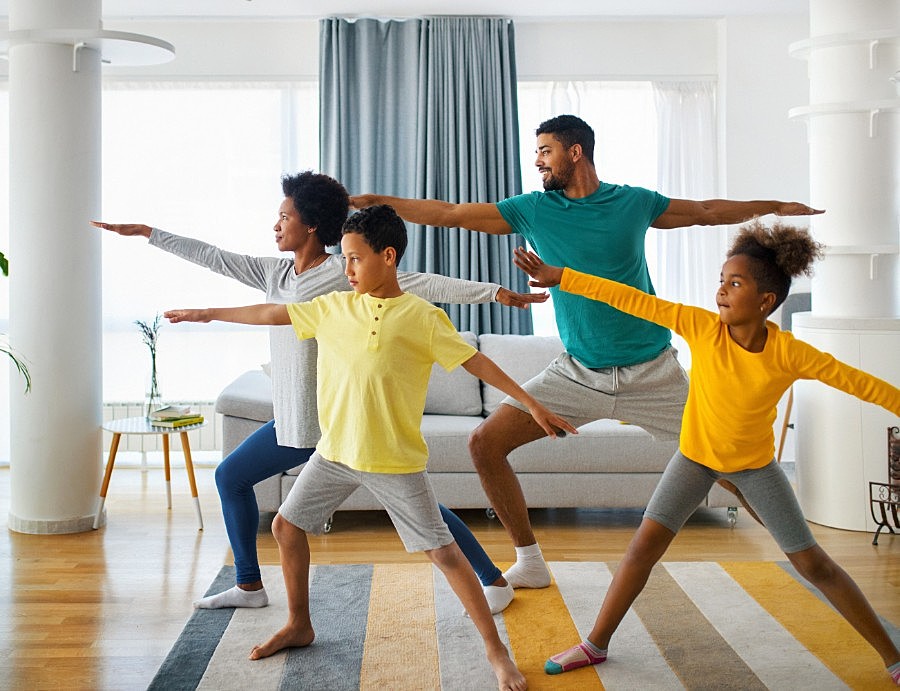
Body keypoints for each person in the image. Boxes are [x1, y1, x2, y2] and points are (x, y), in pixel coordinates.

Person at [350, 113, 825, 591]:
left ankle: (809, 562)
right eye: (536, 151)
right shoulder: (532, 209)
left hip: (654, 374)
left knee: (734, 468)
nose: (537, 160)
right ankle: (529, 560)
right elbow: (451, 214)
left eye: (544, 150)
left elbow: (704, 209)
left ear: (574, 152)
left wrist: (776, 206)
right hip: (577, 373)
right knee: (484, 443)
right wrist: (379, 202)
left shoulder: (632, 203)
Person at [92, 171, 547, 615]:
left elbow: (419, 282)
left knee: (238, 478)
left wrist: (493, 293)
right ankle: (488, 577)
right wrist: (149, 233)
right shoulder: (273, 273)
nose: (275, 224)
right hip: (292, 417)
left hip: (325, 421)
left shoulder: (343, 272)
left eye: (284, 216)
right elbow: (212, 255)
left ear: (310, 225)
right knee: (407, 503)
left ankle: (252, 583)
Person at [165, 205, 579, 690]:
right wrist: (207, 314)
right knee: (285, 526)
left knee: (445, 555)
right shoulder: (335, 307)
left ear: (388, 256)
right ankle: (300, 623)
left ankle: (496, 651)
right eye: (344, 259)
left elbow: (477, 365)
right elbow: (270, 311)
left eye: (356, 259)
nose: (347, 270)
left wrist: (531, 404)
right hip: (335, 452)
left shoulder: (422, 317)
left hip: (392, 462)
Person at [513, 222, 900, 685]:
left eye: (734, 283)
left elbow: (857, 381)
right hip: (694, 459)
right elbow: (635, 300)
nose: (720, 291)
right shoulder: (702, 328)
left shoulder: (790, 353)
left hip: (754, 470)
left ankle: (893, 659)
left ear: (765, 302)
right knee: (642, 549)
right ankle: (594, 644)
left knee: (813, 563)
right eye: (721, 280)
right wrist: (566, 277)